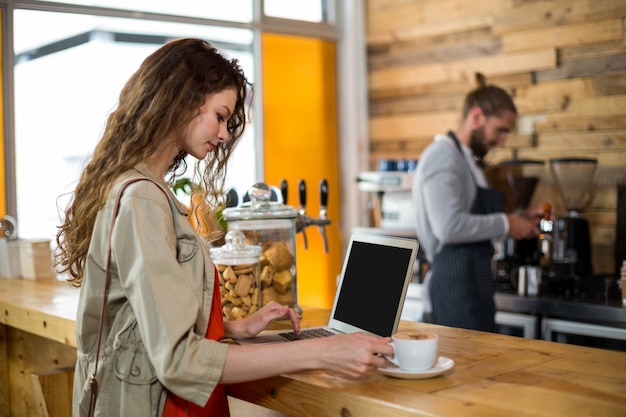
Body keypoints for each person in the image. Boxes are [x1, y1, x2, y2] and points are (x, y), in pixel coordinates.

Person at [55, 38, 393, 417]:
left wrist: (230, 329)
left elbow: (141, 320)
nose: (224, 134)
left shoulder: (139, 187)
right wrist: (325, 351)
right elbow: (179, 361)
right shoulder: (143, 199)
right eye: (220, 115)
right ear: (182, 100)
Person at [411, 78, 544, 333]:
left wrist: (520, 218)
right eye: (500, 130)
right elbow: (449, 227)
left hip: (473, 285)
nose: (503, 141)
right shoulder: (443, 156)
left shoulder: (465, 160)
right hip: (453, 289)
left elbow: (471, 218)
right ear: (476, 116)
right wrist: (507, 223)